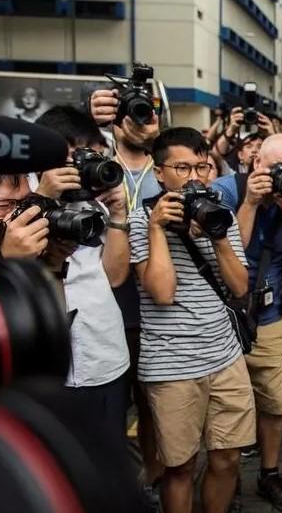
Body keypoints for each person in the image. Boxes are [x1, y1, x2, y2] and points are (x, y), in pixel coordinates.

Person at [128, 127, 253, 513]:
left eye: (202, 166)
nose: (194, 177)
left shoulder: (222, 214)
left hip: (225, 357)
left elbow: (239, 285)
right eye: (182, 167)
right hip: (172, 364)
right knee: (180, 467)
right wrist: (157, 229)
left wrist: (216, 233)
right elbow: (162, 293)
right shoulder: (140, 220)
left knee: (227, 458)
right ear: (159, 171)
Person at [212, 134, 282, 512]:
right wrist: (251, 203)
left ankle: (270, 472)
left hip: (271, 317)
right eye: (273, 168)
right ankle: (227, 479)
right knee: (227, 407)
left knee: (276, 401)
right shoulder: (226, 189)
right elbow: (229, 251)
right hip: (225, 316)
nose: (280, 176)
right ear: (255, 160)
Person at [32, 106, 132, 438]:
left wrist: (118, 213)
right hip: (47, 369)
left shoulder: (96, 203)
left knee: (106, 464)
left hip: (105, 354)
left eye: (92, 154)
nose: (84, 165)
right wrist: (43, 198)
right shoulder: (17, 199)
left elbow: (115, 277)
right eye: (75, 156)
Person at [90, 87, 165, 502]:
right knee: (111, 409)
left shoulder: (169, 167)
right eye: (133, 113)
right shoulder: (98, 167)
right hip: (108, 309)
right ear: (115, 120)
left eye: (149, 112)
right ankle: (111, 484)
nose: (142, 120)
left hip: (156, 311)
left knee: (154, 407)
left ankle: (152, 482)